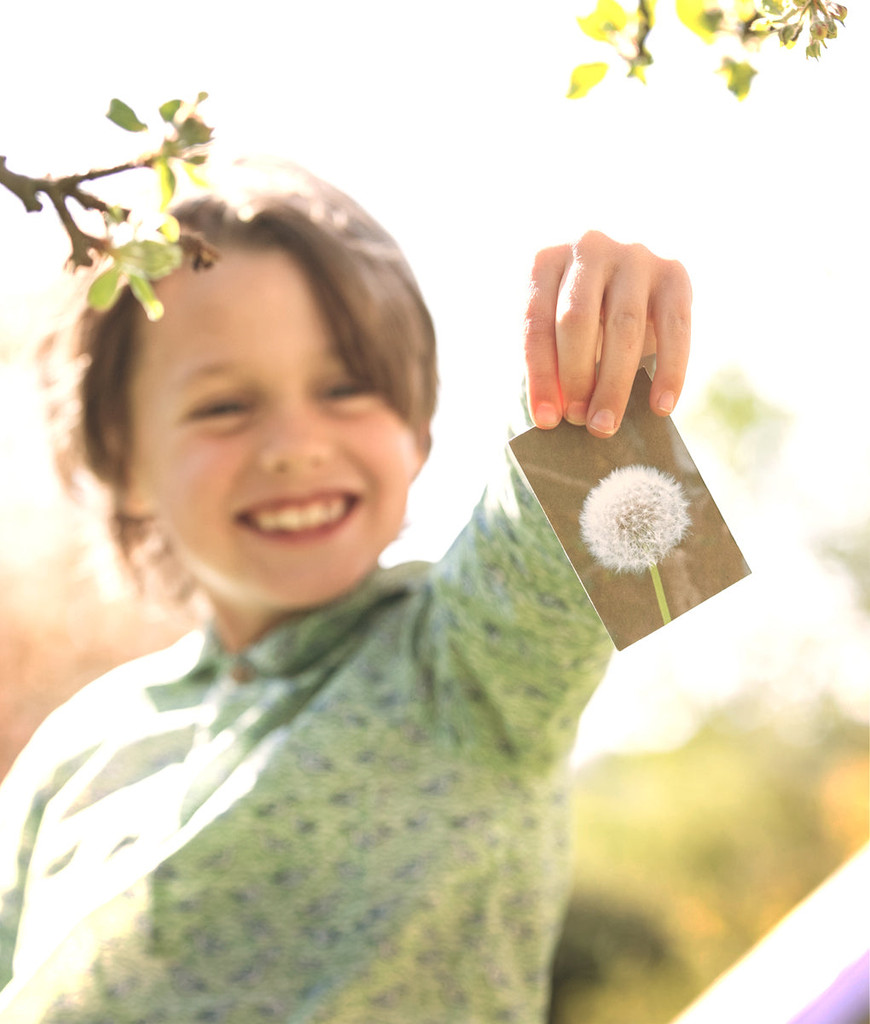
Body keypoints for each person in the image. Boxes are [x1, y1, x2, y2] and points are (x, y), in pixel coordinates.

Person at [0, 161, 691, 1023]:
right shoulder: (75, 755)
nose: (295, 444)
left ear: (415, 430)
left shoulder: (474, 674)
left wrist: (597, 364)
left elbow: (595, 524)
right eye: (224, 406)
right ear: (122, 454)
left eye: (344, 389)